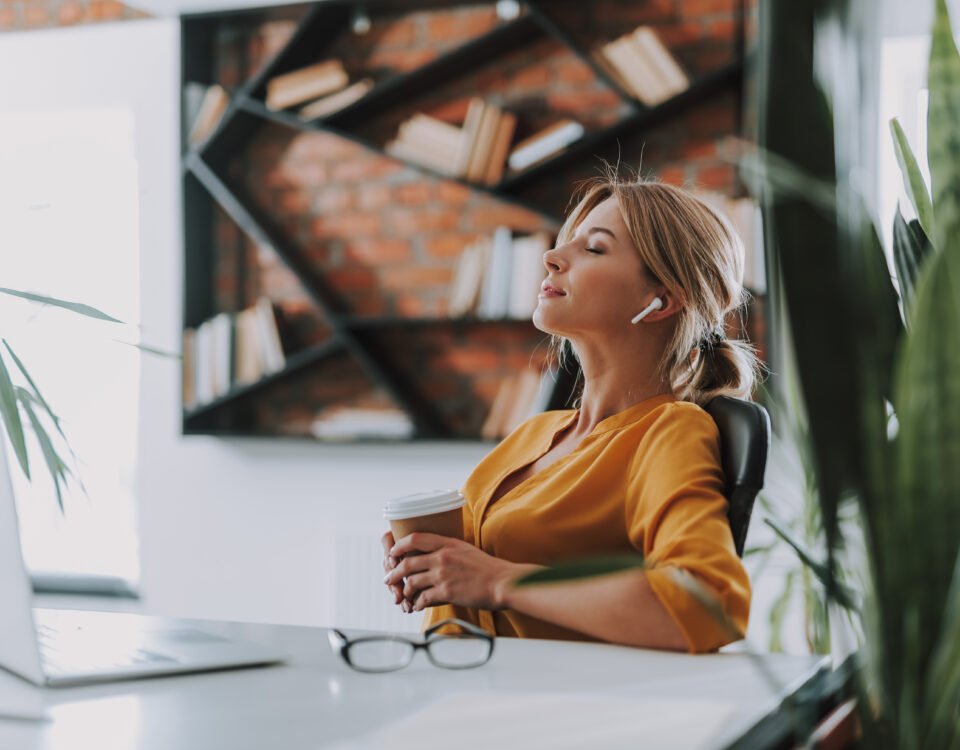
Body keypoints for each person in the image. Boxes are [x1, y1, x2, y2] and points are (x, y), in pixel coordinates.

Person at [381, 172, 762, 653]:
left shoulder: (668, 432)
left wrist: (500, 581)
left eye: (595, 249)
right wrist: (431, 565)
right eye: (567, 243)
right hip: (464, 694)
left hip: (566, 713)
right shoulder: (534, 433)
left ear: (660, 299)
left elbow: (710, 604)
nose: (550, 256)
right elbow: (472, 582)